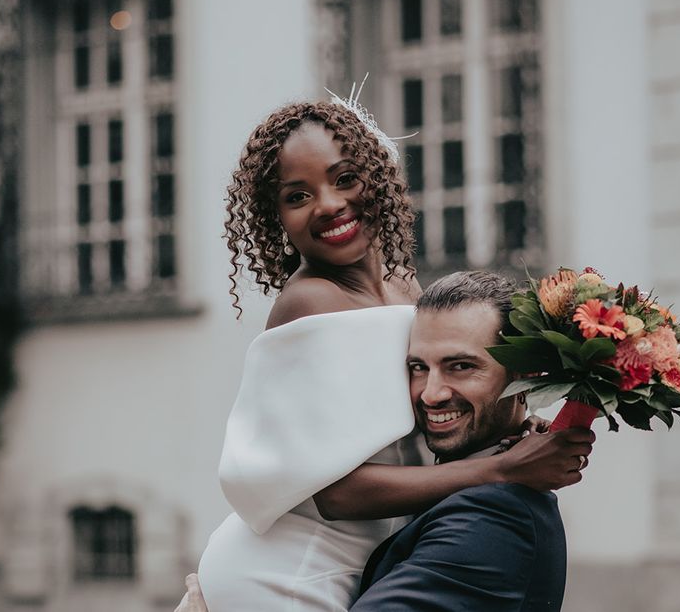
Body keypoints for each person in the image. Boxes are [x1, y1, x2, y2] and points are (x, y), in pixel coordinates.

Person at [179, 99, 593, 612]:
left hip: (364, 564)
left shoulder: (405, 287)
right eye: (297, 195)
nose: (328, 204)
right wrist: (504, 469)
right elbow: (337, 494)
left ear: (377, 176)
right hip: (288, 572)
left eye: (345, 177)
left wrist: (514, 426)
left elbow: (431, 414)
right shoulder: (310, 301)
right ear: (277, 219)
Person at [351, 270, 587, 611]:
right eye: (418, 367)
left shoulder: (495, 516)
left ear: (527, 374)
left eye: (460, 366)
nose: (431, 394)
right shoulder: (465, 481)